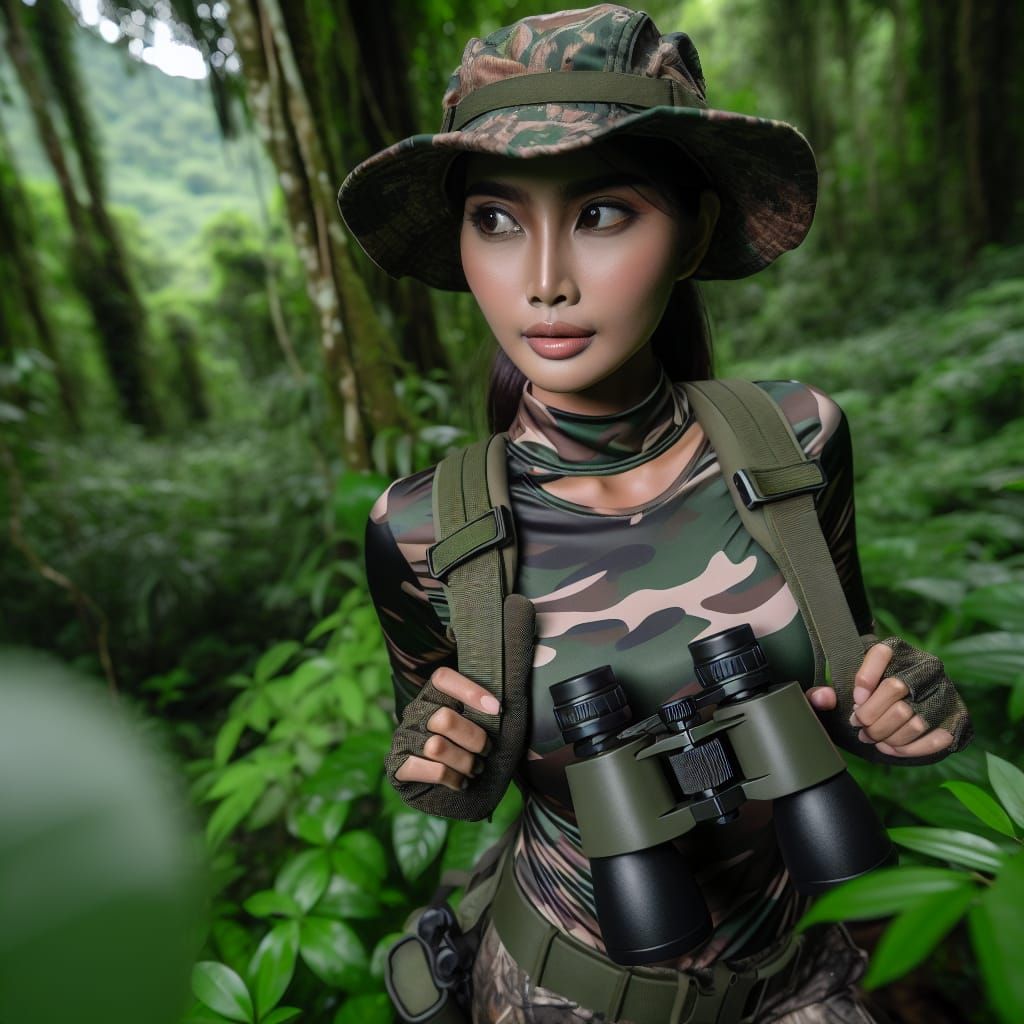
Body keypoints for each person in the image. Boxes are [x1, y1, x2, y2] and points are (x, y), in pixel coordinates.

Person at [337, 6, 972, 1022]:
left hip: (797, 970)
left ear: (696, 232)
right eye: (496, 220)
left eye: (601, 215)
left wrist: (900, 710)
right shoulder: (422, 527)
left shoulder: (796, 440)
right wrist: (436, 761)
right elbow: (458, 772)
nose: (542, 281)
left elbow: (847, 678)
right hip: (563, 984)